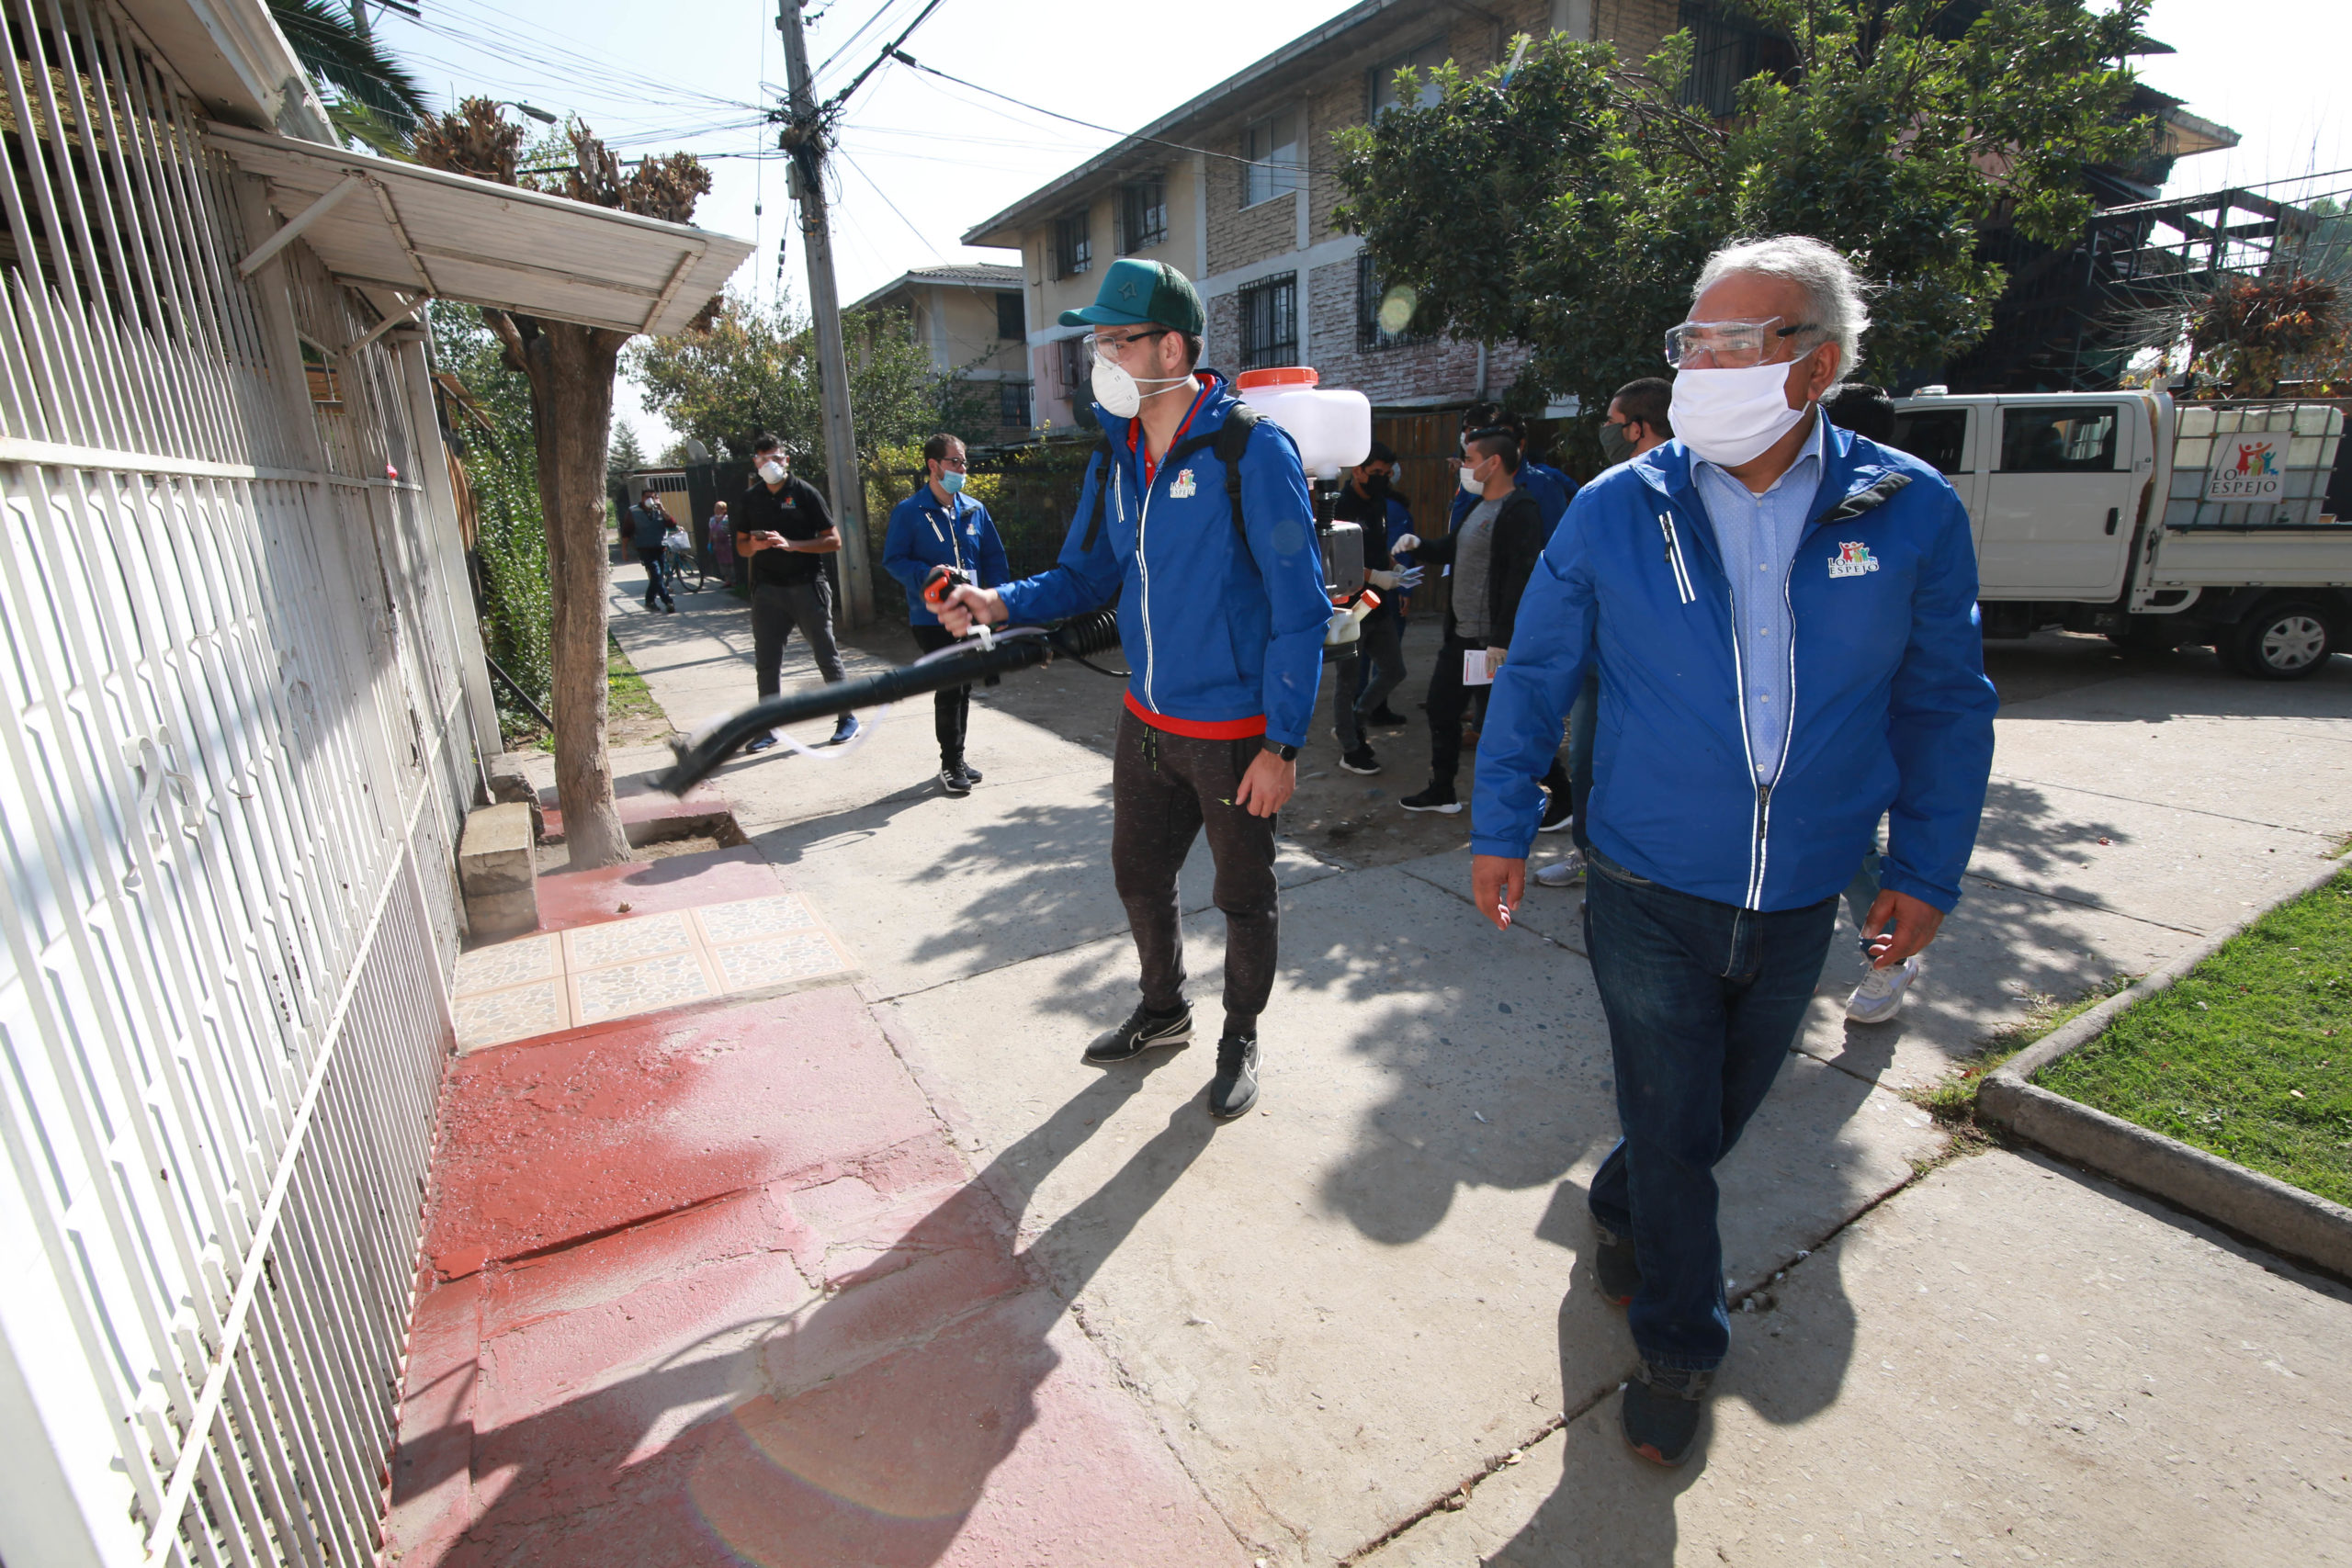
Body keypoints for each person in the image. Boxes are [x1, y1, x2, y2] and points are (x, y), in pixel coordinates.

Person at [1470, 235, 1996, 1468]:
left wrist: (1923, 868)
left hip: (1804, 887)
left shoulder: (1909, 509)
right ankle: (1678, 1343)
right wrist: (1500, 819)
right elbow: (1538, 671)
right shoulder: (1618, 506)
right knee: (1672, 1115)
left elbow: (1944, 703)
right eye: (1688, 341)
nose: (1691, 364)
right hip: (1647, 882)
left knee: (1701, 1124)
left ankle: (1617, 1200)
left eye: (1721, 342)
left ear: (1808, 366)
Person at [935, 258, 1328, 1122]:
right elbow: (1085, 576)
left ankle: (1239, 1036)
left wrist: (1282, 745)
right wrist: (997, 600)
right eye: (1097, 341)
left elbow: (1301, 611)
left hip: (1233, 733)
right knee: (1138, 878)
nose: (1099, 357)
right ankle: (1164, 1008)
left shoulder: (1247, 450)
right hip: (1145, 723)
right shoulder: (1116, 456)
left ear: (1174, 346)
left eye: (1117, 340)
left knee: (1243, 896)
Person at [1534, 378, 1676, 889]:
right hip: (1599, 659)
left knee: (1643, 774)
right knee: (1588, 761)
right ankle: (1588, 856)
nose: (1607, 434)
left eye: (1613, 424)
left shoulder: (1685, 488)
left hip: (1652, 666)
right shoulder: (1611, 490)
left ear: (1638, 427)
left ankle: (1635, 878)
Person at [1396, 427, 1572, 824]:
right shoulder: (1478, 506)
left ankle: (1563, 798)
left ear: (1494, 464)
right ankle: (1442, 790)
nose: (1463, 466)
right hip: (1462, 637)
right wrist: (1418, 545)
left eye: (1470, 460)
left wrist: (1502, 640)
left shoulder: (1519, 509)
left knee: (1511, 724)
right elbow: (1453, 549)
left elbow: (1519, 577)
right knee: (1442, 710)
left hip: (1490, 643)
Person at [1818, 382, 1920, 1022]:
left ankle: (1892, 955)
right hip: (1810, 718)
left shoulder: (1901, 512)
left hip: (1857, 718)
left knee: (1852, 847)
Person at [883, 433, 1012, 796]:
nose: (961, 469)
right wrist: (927, 575)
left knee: (965, 683)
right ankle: (949, 762)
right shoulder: (910, 512)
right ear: (934, 465)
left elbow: (994, 560)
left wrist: (999, 602)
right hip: (932, 617)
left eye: (964, 462)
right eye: (954, 462)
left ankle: (958, 757)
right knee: (950, 684)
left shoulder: (975, 509)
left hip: (971, 614)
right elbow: (893, 560)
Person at [734, 436, 855, 755]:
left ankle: (847, 718)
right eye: (761, 459)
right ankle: (767, 728)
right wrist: (755, 546)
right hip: (768, 591)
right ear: (755, 464)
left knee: (826, 654)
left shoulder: (805, 493)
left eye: (774, 457)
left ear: (786, 460)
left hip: (806, 585)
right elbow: (742, 545)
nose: (768, 464)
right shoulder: (750, 498)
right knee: (767, 662)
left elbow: (834, 541)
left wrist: (793, 544)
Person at [1329, 441, 1422, 773]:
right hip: (1349, 608)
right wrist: (1376, 576)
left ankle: (1354, 721)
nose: (1383, 479)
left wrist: (1396, 568)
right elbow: (1334, 560)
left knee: (1394, 669)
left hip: (1377, 605)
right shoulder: (1339, 507)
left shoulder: (1380, 503)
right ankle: (1350, 748)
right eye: (1376, 473)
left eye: (1387, 473)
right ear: (1358, 471)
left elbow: (1379, 547)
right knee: (1348, 681)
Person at [628, 487, 676, 613]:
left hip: (660, 548)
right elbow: (626, 532)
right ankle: (668, 601)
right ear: (642, 498)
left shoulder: (659, 510)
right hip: (645, 549)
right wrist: (624, 551)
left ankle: (649, 600)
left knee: (657, 576)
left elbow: (672, 524)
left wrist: (662, 509)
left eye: (652, 497)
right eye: (647, 497)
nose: (649, 499)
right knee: (656, 574)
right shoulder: (634, 511)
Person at [708, 498, 737, 586]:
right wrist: (710, 543)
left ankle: (734, 581)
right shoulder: (712, 520)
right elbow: (711, 532)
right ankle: (727, 581)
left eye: (719, 508)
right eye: (715, 508)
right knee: (722, 564)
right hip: (718, 546)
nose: (716, 510)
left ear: (724, 510)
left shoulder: (727, 519)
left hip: (727, 545)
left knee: (731, 563)